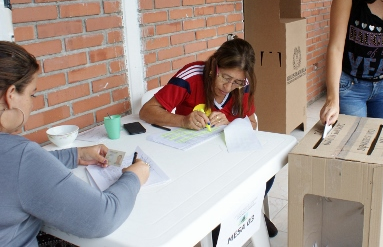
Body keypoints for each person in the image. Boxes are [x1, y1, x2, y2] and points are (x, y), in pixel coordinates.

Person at [0, 41, 150, 247]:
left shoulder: (16, 160)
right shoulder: (19, 156)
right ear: (10, 97)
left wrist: (75, 155)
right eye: (31, 94)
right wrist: (135, 177)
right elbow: (102, 217)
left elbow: (15, 172)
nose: (33, 102)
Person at [139, 38, 278, 241]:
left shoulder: (243, 85)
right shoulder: (193, 76)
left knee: (267, 172)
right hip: (194, 160)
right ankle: (235, 217)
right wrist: (183, 120)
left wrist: (230, 123)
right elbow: (147, 110)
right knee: (216, 189)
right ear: (215, 66)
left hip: (225, 154)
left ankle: (244, 209)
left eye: (236, 82)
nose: (228, 87)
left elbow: (252, 122)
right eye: (225, 77)